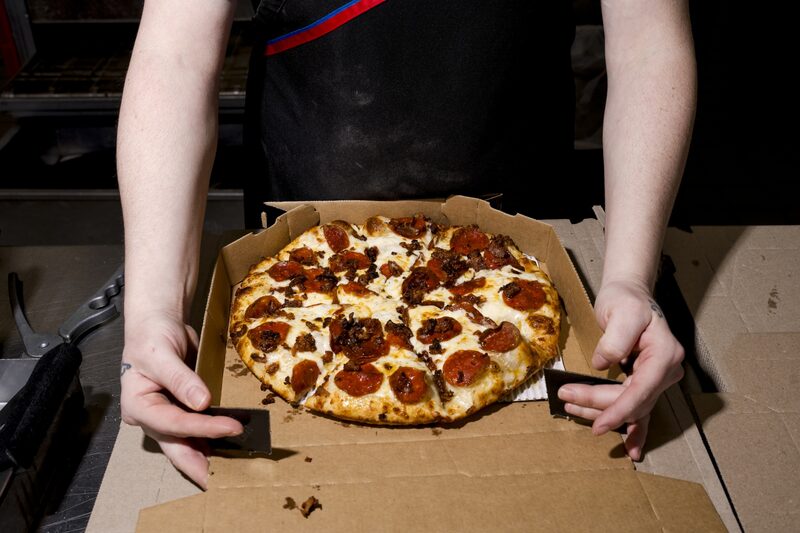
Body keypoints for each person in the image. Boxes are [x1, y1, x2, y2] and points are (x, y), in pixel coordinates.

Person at [117, 0, 696, 489]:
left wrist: (628, 278)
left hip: (523, 212)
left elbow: (649, 43)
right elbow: (177, 51)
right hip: (302, 222)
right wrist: (155, 309)